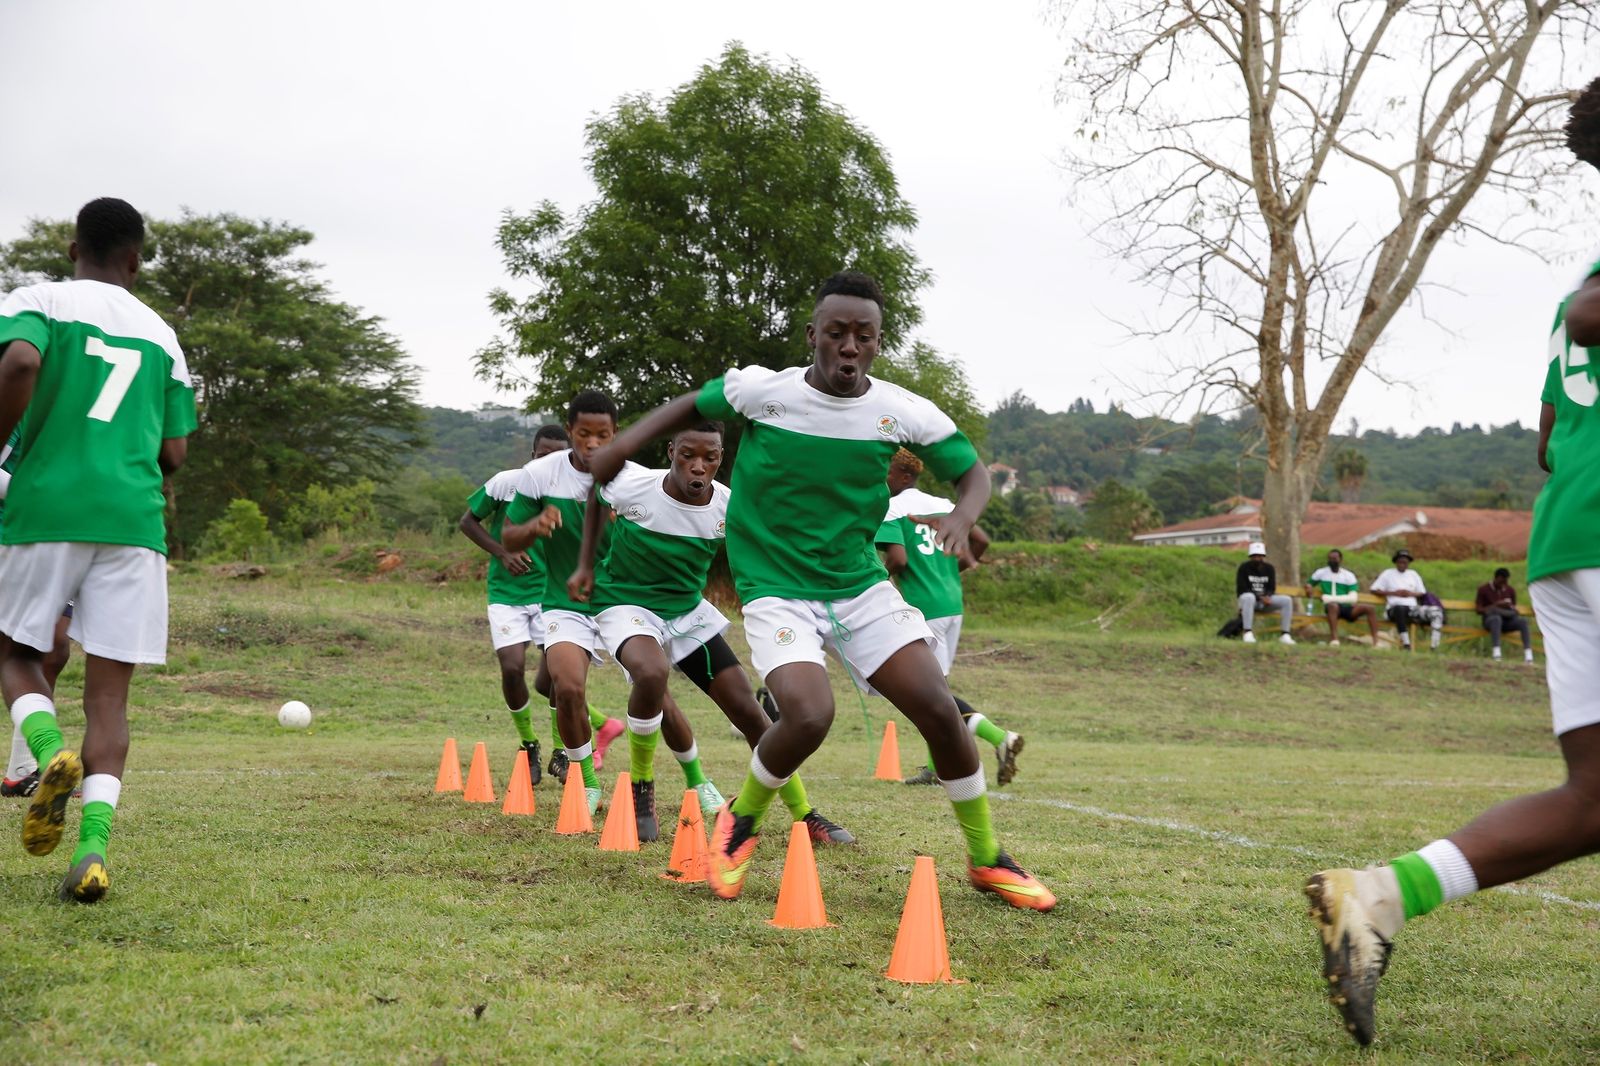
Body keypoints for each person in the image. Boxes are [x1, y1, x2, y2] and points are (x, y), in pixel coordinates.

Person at [586, 271, 1055, 910]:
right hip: (778, 589)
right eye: (836, 333)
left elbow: (972, 474)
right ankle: (740, 826)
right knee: (809, 715)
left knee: (942, 714)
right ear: (814, 336)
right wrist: (626, 444)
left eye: (864, 336)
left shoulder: (902, 410)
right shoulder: (762, 392)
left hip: (859, 586)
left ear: (877, 344)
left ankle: (987, 859)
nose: (849, 347)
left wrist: (963, 517)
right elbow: (690, 407)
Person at [1304, 75, 1600, 1047]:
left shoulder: (1571, 296)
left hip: (1566, 543)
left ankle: (1378, 899)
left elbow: (1548, 438)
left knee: (1592, 799)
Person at [0, 198, 196, 902]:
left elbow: (19, 361)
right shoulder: (162, 334)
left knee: (14, 652)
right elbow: (174, 451)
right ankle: (91, 852)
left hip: (46, 506)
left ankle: (50, 756)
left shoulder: (38, 299)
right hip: (136, 522)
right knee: (110, 699)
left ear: (71, 246)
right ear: (136, 260)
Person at [570, 421, 852, 844]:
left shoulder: (729, 506)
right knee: (650, 673)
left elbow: (772, 549)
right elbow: (596, 496)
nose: (699, 467)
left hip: (686, 610)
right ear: (671, 452)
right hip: (625, 603)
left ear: (721, 459)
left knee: (749, 710)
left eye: (711, 458)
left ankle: (804, 815)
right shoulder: (632, 483)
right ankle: (641, 788)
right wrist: (586, 563)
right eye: (689, 455)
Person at [502, 391, 666, 815]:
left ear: (616, 432)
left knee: (655, 681)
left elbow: (657, 542)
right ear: (570, 430)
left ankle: (673, 780)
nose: (593, 444)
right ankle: (587, 781)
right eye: (583, 434)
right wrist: (536, 525)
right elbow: (508, 538)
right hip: (562, 602)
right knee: (568, 688)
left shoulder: (636, 479)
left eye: (604, 435)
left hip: (621, 603)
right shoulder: (540, 475)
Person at [876, 448, 1023, 786]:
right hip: (951, 602)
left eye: (887, 472)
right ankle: (936, 768)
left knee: (930, 693)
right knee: (934, 688)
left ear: (903, 476)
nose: (883, 478)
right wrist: (950, 572)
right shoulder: (943, 503)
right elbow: (981, 540)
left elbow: (898, 559)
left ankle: (1000, 737)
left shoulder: (895, 508)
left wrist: (880, 584)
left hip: (922, 607)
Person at [457, 423, 571, 785]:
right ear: (532, 456)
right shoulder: (507, 483)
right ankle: (528, 745)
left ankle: (561, 751)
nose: (550, 463)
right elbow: (468, 521)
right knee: (512, 667)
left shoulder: (574, 491)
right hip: (507, 594)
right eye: (543, 455)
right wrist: (502, 552)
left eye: (559, 456)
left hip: (552, 593)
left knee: (559, 675)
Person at [0, 427, 74, 797]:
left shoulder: (76, 398)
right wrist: (38, 497)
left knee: (55, 648)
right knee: (16, 651)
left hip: (55, 538)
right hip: (9, 536)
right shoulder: (19, 386)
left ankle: (22, 770)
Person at [1371, 549, 1441, 651]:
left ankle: (1434, 645)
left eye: (1405, 562)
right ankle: (1406, 643)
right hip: (1393, 609)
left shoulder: (1413, 574)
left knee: (1436, 612)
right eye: (1400, 561)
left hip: (1411, 609)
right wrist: (1394, 593)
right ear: (1396, 562)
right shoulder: (1388, 573)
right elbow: (1373, 589)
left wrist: (1409, 593)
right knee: (1400, 609)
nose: (1403, 564)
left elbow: (1422, 592)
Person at [1307, 549, 1380, 647]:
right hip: (1332, 608)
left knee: (1369, 608)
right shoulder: (1321, 573)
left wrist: (1327, 597)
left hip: (1347, 607)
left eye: (1334, 558)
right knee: (1332, 605)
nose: (1332, 561)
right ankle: (1334, 639)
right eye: (1330, 559)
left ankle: (1376, 642)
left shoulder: (1348, 575)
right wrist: (1308, 588)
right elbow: (1309, 583)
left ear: (1340, 560)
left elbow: (1353, 598)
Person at [1236, 541, 1295, 645]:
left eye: (1259, 556)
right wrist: (1259, 597)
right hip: (1249, 601)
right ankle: (1248, 632)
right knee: (1249, 597)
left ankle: (1285, 634)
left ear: (1263, 556)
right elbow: (1242, 588)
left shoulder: (1269, 569)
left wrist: (1267, 596)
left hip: (1265, 601)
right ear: (1250, 556)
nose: (1257, 558)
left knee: (1287, 600)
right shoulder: (1244, 568)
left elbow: (1271, 587)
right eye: (1254, 556)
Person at [1475, 567, 1535, 663]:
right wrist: (1496, 605)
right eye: (1502, 582)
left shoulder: (1510, 590)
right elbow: (1478, 610)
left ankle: (1528, 655)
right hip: (1490, 621)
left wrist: (1508, 607)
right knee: (1496, 618)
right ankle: (1497, 654)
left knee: (1523, 622)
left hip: (1507, 620)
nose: (1504, 585)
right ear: (1496, 578)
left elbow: (1514, 608)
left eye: (1506, 582)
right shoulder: (1483, 589)